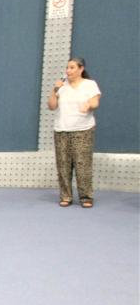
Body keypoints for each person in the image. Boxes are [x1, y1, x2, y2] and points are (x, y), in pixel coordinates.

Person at [48, 57, 101, 207]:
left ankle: (86, 197)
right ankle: (66, 196)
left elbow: (95, 102)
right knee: (63, 165)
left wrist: (88, 106)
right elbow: (52, 106)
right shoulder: (62, 86)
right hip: (62, 129)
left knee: (82, 164)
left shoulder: (89, 84)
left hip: (82, 130)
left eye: (72, 68)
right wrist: (54, 90)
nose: (68, 71)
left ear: (81, 69)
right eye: (67, 68)